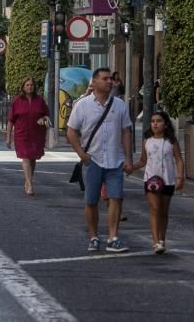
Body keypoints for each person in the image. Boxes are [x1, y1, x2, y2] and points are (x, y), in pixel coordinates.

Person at [66, 67, 133, 253]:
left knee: (116, 198)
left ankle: (113, 237)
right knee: (91, 201)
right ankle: (94, 236)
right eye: (105, 79)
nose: (109, 82)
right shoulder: (83, 105)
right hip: (93, 160)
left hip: (115, 160)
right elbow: (71, 132)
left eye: (111, 78)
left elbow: (126, 131)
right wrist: (82, 155)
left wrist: (128, 158)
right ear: (94, 83)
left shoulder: (120, 105)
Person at [132, 111, 184, 254]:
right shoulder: (147, 141)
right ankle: (155, 242)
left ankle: (162, 239)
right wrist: (131, 167)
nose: (155, 123)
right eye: (153, 121)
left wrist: (180, 177)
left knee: (163, 211)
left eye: (159, 121)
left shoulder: (171, 141)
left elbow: (179, 159)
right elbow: (143, 160)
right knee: (154, 208)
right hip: (151, 180)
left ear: (165, 124)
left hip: (167, 180)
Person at [6, 78, 50, 196]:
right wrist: (8, 137)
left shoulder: (40, 100)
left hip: (37, 134)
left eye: (31, 85)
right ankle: (30, 184)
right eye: (27, 85)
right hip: (22, 134)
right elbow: (11, 120)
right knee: (25, 157)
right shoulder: (17, 101)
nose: (29, 87)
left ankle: (28, 179)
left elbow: (46, 114)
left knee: (33, 158)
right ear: (23, 87)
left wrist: (42, 118)